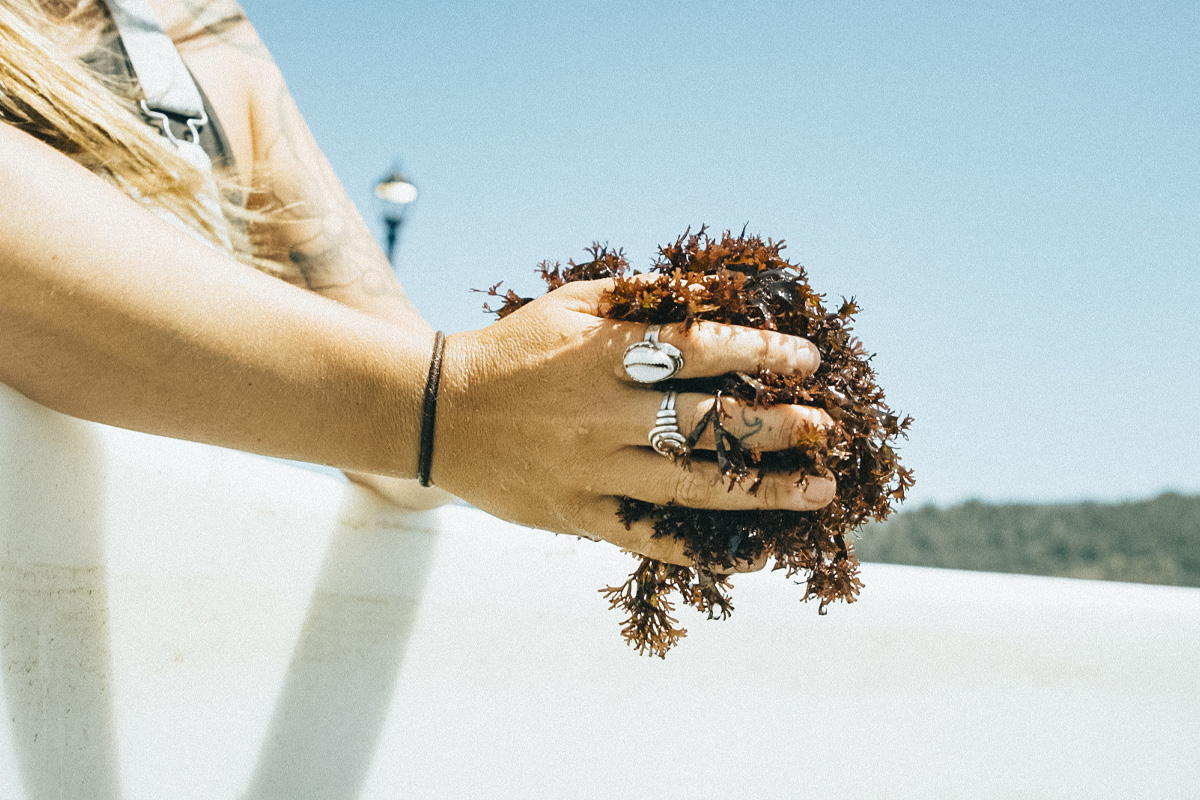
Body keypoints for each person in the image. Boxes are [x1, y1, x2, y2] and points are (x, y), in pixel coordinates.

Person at [0, 0, 835, 571]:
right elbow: (418, 406)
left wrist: (602, 402)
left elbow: (403, 461)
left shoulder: (193, 42)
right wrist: (443, 404)